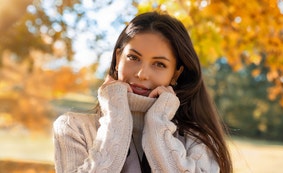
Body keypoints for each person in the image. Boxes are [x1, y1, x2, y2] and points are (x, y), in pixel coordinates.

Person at [53, 11, 233, 173]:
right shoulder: (73, 128)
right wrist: (116, 117)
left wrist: (158, 123)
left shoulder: (199, 140)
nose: (141, 74)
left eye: (159, 64)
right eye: (133, 58)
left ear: (176, 73)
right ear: (118, 59)